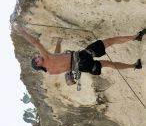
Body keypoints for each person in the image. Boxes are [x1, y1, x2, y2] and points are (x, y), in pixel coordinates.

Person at [13, 24, 145, 78]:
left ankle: (134, 66)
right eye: (35, 59)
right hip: (82, 56)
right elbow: (35, 42)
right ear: (38, 65)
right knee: (109, 41)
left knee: (108, 64)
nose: (37, 56)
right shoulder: (46, 58)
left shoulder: (50, 71)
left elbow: (57, 56)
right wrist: (21, 31)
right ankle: (136, 37)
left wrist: (59, 43)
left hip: (83, 67)